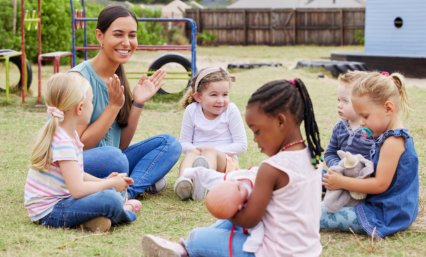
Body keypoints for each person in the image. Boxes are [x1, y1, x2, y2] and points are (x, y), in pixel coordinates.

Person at [142, 78, 324, 257]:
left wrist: (228, 207)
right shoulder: (313, 157)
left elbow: (249, 220)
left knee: (199, 237)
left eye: (257, 131)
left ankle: (185, 250)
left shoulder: (272, 168)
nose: (255, 140)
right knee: (227, 227)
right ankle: (184, 248)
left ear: (280, 121)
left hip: (273, 252)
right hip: (307, 250)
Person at [70, 5, 181, 199]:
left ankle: (127, 192)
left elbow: (121, 144)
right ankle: (134, 182)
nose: (126, 42)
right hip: (77, 164)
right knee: (115, 158)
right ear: (100, 36)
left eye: (132, 35)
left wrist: (138, 103)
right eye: (118, 34)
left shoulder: (117, 77)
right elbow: (78, 147)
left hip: (113, 160)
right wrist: (113, 107)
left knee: (169, 144)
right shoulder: (77, 80)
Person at [24, 73, 140, 233]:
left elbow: (79, 174)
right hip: (50, 212)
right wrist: (109, 185)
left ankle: (92, 221)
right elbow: (77, 189)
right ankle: (123, 211)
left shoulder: (70, 136)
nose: (92, 106)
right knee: (110, 199)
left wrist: (105, 180)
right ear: (80, 108)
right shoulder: (63, 141)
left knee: (111, 188)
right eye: (91, 102)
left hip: (64, 201)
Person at [321, 71, 419, 238]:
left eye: (365, 116)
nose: (361, 122)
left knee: (317, 216)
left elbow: (379, 185)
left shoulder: (393, 142)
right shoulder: (385, 136)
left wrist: (341, 181)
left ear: (388, 108)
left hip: (385, 213)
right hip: (377, 203)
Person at [173, 67, 247, 201]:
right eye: (214, 95)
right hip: (198, 158)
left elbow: (241, 145)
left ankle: (205, 185)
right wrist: (196, 150)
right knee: (191, 153)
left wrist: (212, 150)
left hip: (225, 164)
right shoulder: (191, 110)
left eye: (225, 94)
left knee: (209, 152)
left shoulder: (231, 110)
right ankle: (184, 182)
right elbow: (183, 143)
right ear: (198, 96)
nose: (220, 100)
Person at [324, 70, 373, 168]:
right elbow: (330, 153)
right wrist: (338, 166)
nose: (339, 105)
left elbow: (377, 157)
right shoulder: (339, 128)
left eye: (345, 101)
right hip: (341, 174)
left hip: (364, 177)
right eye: (339, 100)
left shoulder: (373, 128)